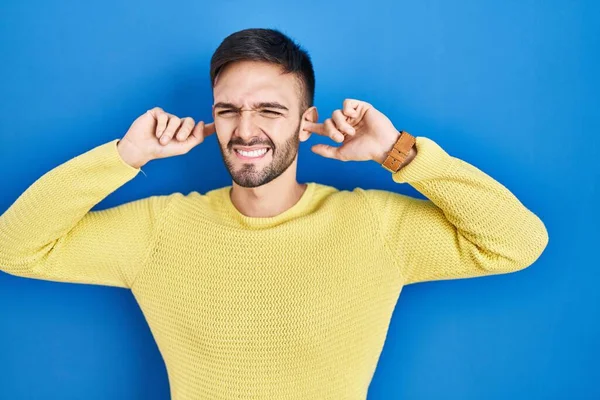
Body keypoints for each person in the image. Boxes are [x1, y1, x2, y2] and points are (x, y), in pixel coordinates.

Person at [0, 28, 548, 399]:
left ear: (305, 121)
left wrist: (398, 154)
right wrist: (124, 156)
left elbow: (517, 242)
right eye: (229, 109)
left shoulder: (373, 226)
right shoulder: (158, 229)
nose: (245, 129)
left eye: (269, 109)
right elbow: (14, 247)